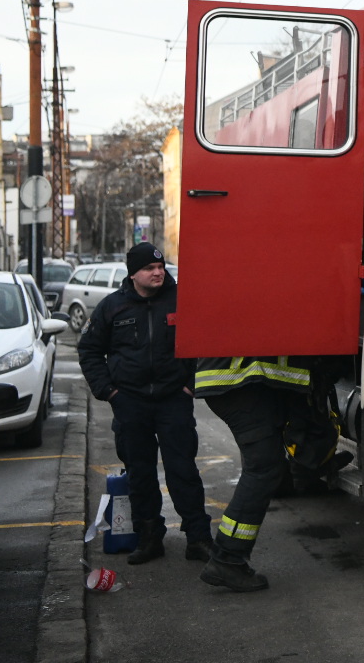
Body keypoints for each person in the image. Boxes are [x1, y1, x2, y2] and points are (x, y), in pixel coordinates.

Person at [77, 242, 212, 562]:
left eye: (160, 267)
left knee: (183, 470)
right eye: (150, 268)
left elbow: (206, 344)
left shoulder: (182, 301)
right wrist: (109, 393)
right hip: (130, 403)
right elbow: (89, 351)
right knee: (140, 473)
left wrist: (191, 388)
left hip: (173, 401)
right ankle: (150, 538)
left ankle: (199, 537)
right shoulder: (112, 307)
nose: (158, 272)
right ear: (133, 273)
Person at [193, 352, 314, 591]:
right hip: (240, 381)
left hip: (236, 381)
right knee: (263, 467)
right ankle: (227, 558)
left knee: (266, 465)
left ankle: (227, 557)